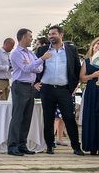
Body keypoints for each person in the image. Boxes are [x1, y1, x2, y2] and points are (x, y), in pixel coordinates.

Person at [35, 25, 83, 155]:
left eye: (53, 33)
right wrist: (35, 83)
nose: (51, 36)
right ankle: (49, 146)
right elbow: (34, 66)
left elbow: (77, 69)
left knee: (69, 118)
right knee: (48, 119)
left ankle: (76, 147)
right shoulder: (42, 50)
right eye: (49, 34)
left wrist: (74, 87)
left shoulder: (71, 50)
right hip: (47, 89)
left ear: (61, 35)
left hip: (64, 90)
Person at [7, 28, 45, 156]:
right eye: (30, 36)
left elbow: (39, 69)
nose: (32, 39)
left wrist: (33, 65)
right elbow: (26, 68)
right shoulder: (16, 53)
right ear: (23, 37)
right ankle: (12, 146)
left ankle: (22, 145)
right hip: (20, 86)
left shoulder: (30, 53)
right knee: (17, 117)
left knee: (27, 117)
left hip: (30, 87)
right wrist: (40, 60)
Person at [80, 37, 99, 154]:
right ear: (93, 46)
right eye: (97, 44)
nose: (98, 46)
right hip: (92, 92)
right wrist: (93, 75)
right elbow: (82, 78)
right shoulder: (87, 61)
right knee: (91, 116)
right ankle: (92, 146)